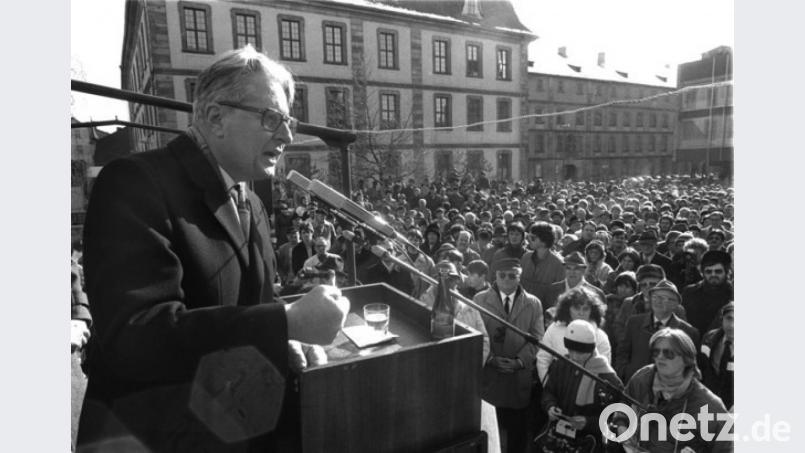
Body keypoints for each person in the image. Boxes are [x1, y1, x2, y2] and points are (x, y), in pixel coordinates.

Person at [77, 47, 349, 452]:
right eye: (272, 117)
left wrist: (284, 340)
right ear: (215, 117)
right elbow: (137, 336)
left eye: (288, 121)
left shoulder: (252, 201)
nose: (287, 135)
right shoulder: (133, 183)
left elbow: (249, 303)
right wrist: (283, 323)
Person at [612, 328, 732, 452]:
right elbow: (622, 410)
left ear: (687, 359)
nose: (660, 357)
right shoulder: (642, 378)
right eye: (656, 352)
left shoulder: (709, 405)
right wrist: (624, 435)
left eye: (668, 353)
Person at [475, 258, 544, 453]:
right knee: (488, 431)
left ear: (519, 277)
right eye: (502, 275)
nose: (507, 279)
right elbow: (474, 333)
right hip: (489, 377)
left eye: (512, 276)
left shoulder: (533, 303)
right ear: (495, 276)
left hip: (517, 378)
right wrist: (490, 359)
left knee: (517, 433)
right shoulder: (479, 300)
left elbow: (538, 338)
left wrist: (519, 362)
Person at [538, 320, 623, 453]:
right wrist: (550, 406)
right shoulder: (561, 364)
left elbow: (616, 415)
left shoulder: (607, 377)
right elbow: (549, 391)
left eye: (581, 352)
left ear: (591, 349)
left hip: (589, 443)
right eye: (571, 351)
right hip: (557, 438)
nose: (575, 356)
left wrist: (589, 423)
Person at [615, 280, 699, 382]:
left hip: (668, 390)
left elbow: (690, 367)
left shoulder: (688, 332)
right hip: (635, 385)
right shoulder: (634, 322)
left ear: (675, 304)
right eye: (655, 297)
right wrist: (625, 373)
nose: (658, 301)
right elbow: (622, 353)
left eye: (664, 298)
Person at [536, 286, 611, 382]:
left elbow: (604, 371)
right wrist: (548, 386)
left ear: (592, 311)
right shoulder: (554, 329)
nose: (581, 313)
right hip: (556, 388)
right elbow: (543, 359)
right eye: (577, 308)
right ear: (568, 308)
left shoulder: (601, 337)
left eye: (585, 309)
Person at [682, 250, 734, 335]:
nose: (713, 275)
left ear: (726, 272)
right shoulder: (689, 292)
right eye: (708, 271)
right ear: (702, 273)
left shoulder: (733, 294)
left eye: (718, 271)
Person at [698, 302, 734, 411]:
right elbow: (701, 369)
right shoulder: (709, 339)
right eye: (729, 318)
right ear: (721, 319)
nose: (732, 325)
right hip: (708, 405)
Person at [519, 221, 566, 305]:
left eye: (533, 238)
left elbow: (559, 294)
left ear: (544, 239)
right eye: (528, 237)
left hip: (544, 310)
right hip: (522, 307)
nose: (529, 240)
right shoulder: (525, 258)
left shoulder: (558, 264)